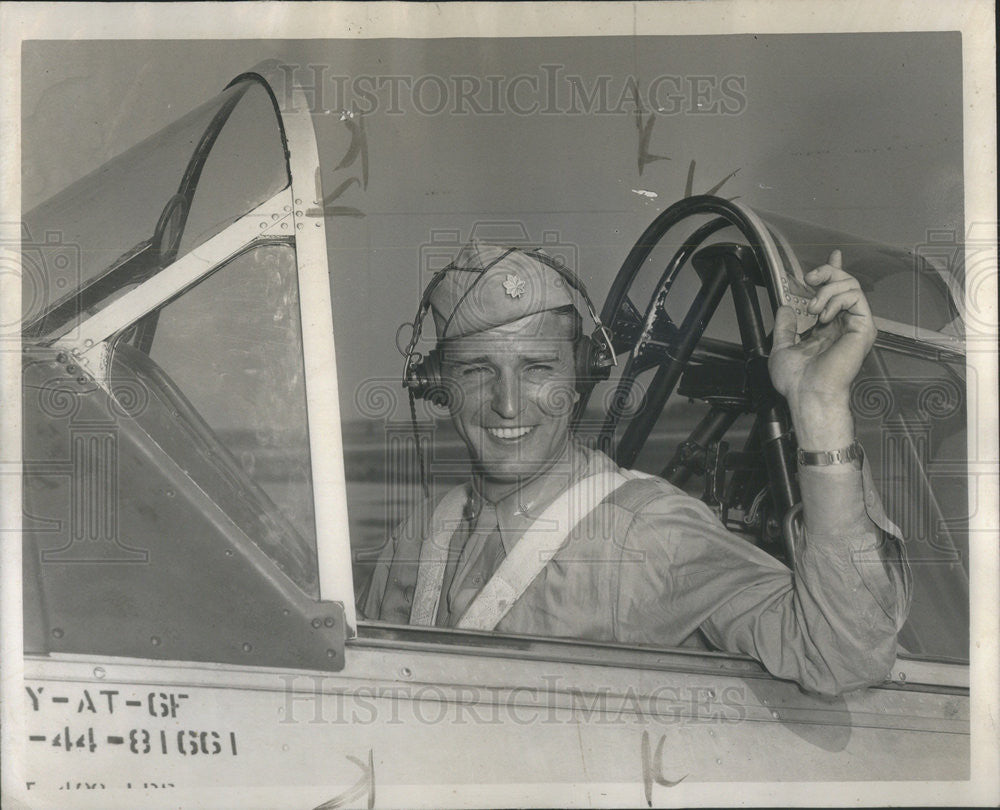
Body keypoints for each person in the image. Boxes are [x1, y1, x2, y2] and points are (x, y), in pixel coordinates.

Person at [360, 242, 910, 696]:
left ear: (584, 374)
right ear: (434, 385)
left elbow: (842, 655)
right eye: (478, 369)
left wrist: (819, 405)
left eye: (538, 368)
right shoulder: (418, 536)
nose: (508, 403)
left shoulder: (649, 533)